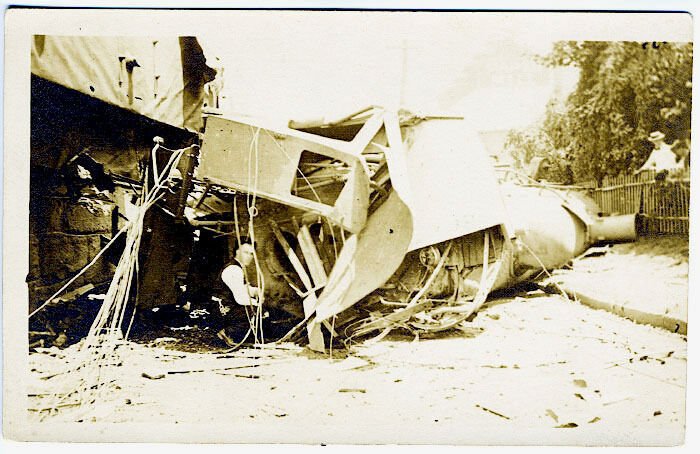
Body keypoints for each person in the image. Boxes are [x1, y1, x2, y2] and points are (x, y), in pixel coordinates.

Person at [216, 241, 261, 345]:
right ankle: (227, 332)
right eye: (246, 252)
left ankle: (238, 333)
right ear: (237, 251)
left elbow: (241, 287)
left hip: (226, 306)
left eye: (251, 254)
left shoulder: (238, 267)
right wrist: (258, 304)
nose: (249, 257)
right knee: (254, 311)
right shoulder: (233, 269)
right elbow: (240, 298)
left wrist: (255, 291)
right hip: (221, 309)